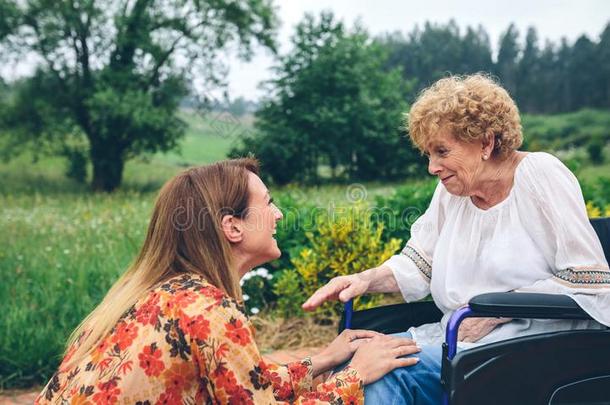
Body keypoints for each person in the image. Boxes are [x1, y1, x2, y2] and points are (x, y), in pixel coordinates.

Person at [302, 74, 610, 404]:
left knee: (382, 374)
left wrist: (491, 314)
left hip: (528, 344)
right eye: (428, 154)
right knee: (355, 363)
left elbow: (590, 279)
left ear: (486, 143)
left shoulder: (539, 174)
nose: (433, 167)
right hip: (459, 337)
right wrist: (364, 279)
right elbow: (419, 264)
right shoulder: (454, 191)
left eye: (442, 152)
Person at [36, 159, 421, 404]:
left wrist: (323, 360)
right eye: (268, 203)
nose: (280, 215)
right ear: (232, 226)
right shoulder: (209, 311)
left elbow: (248, 387)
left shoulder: (162, 293)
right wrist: (356, 375)